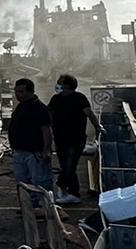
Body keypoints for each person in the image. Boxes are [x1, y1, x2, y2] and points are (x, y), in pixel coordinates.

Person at [47, 73, 102, 206]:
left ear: (67, 85)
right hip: (60, 139)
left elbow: (89, 114)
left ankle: (69, 191)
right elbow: (47, 115)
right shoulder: (56, 99)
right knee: (66, 165)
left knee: (69, 165)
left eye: (60, 83)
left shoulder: (79, 98)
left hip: (75, 139)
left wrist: (97, 127)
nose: (58, 85)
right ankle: (68, 190)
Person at [7, 77, 53, 196]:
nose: (18, 95)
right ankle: (29, 207)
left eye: (21, 92)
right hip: (19, 151)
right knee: (22, 182)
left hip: (34, 152)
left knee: (39, 182)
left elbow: (46, 131)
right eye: (16, 91)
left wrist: (46, 151)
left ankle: (42, 206)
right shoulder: (21, 106)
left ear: (30, 92)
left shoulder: (39, 108)